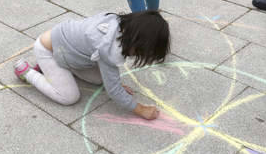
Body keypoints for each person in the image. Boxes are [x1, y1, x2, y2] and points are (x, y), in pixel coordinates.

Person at [13, 10, 170, 120]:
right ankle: (27, 72)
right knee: (69, 97)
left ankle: (57, 68)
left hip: (65, 48)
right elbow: (113, 91)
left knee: (100, 80)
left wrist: (115, 84)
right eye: (142, 53)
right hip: (48, 50)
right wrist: (141, 109)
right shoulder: (108, 48)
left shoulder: (118, 25)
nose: (138, 56)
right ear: (138, 43)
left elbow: (111, 81)